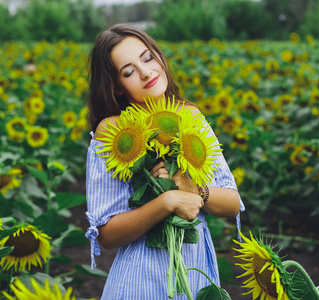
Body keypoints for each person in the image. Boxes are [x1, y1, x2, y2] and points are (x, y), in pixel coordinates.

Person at [84, 24, 244, 299]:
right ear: (117, 87)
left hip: (197, 276)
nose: (146, 72)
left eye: (147, 58)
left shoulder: (191, 116)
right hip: (142, 279)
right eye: (128, 71)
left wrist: (195, 190)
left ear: (159, 56)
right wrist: (166, 201)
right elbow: (106, 234)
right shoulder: (115, 132)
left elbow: (232, 202)